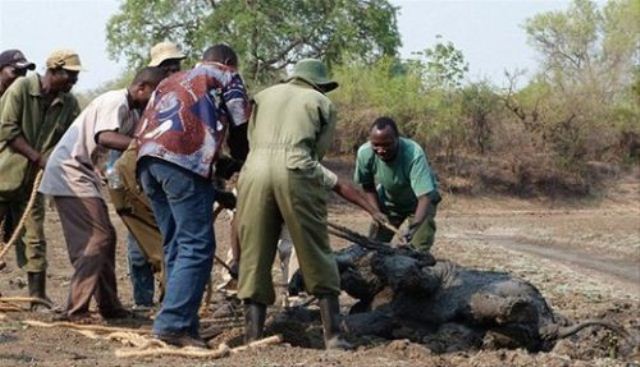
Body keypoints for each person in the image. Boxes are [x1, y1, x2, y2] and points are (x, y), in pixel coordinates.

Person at [235, 59, 387, 349]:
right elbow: (316, 152)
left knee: (255, 253)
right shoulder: (321, 103)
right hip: (296, 170)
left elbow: (251, 137)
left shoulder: (264, 95)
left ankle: (252, 338)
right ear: (319, 84)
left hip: (252, 171)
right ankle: (334, 337)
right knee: (315, 250)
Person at [136, 44, 250, 348]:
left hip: (147, 162)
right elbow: (239, 127)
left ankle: (184, 323)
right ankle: (172, 324)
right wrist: (246, 161)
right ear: (228, 61)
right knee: (197, 244)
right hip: (182, 162)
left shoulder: (171, 79)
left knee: (175, 243)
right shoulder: (226, 75)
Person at [38, 67, 167, 321]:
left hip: (83, 172)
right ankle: (76, 308)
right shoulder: (115, 101)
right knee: (98, 237)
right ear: (141, 88)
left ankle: (109, 306)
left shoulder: (132, 110)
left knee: (106, 238)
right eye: (155, 95)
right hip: (69, 171)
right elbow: (105, 137)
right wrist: (145, 145)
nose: (156, 101)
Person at [0, 49, 82, 309]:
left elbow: (70, 140)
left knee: (34, 237)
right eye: (69, 75)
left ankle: (37, 296)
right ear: (53, 71)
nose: (74, 81)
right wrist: (39, 158)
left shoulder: (69, 104)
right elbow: (8, 129)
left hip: (33, 184)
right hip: (4, 174)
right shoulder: (22, 88)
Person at [115, 40, 186, 312]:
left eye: (176, 66)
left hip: (163, 170)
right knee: (139, 240)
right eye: (167, 67)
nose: (172, 72)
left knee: (171, 237)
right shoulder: (143, 96)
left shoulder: (180, 96)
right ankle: (143, 301)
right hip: (134, 171)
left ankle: (170, 298)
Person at [354, 117, 441, 252]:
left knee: (417, 250)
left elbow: (425, 196)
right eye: (376, 145)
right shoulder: (365, 153)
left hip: (419, 204)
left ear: (397, 139)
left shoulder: (413, 153)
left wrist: (415, 227)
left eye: (387, 145)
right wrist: (376, 212)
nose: (381, 150)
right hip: (390, 202)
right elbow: (368, 186)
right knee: (374, 247)